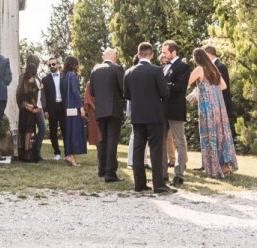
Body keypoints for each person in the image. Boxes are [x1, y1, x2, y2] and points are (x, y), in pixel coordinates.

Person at [124, 42, 174, 194]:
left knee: (138, 150)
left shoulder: (129, 72)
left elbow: (126, 95)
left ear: (138, 54)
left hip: (137, 116)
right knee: (156, 151)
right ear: (151, 54)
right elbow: (165, 92)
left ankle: (139, 184)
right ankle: (158, 185)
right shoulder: (156, 70)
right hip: (154, 115)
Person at [188, 48, 238, 179]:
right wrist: (211, 90)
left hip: (207, 107)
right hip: (218, 106)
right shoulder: (214, 69)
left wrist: (200, 92)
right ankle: (225, 166)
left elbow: (186, 83)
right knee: (220, 134)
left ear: (196, 58)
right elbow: (223, 86)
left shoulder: (199, 69)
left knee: (209, 135)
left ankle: (214, 167)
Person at [90, 48, 125, 182]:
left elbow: (92, 92)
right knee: (112, 141)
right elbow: (124, 89)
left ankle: (102, 169)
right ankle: (110, 173)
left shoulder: (95, 70)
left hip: (100, 111)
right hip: (114, 109)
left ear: (103, 57)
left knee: (103, 139)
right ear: (114, 57)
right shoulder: (117, 69)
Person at [161, 40, 190, 186]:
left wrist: (162, 85)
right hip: (162, 109)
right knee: (161, 141)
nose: (163, 54)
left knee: (179, 141)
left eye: (165, 52)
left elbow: (180, 86)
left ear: (173, 52)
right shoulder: (165, 66)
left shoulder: (184, 66)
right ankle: (162, 173)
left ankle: (179, 174)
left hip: (175, 108)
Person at [61, 56, 87, 167]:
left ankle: (69, 155)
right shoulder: (72, 75)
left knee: (69, 132)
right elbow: (76, 92)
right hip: (74, 108)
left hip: (67, 108)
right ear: (74, 64)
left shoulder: (64, 76)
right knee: (74, 133)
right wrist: (81, 107)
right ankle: (71, 157)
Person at [204, 45, 235, 136]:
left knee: (222, 129)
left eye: (205, 55)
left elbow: (224, 86)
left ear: (209, 54)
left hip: (222, 101)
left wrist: (208, 91)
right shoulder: (210, 66)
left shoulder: (220, 66)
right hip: (214, 102)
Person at [16, 57, 41, 162]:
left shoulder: (23, 80)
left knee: (24, 131)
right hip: (28, 110)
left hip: (23, 110)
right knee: (28, 131)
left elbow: (20, 95)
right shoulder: (30, 81)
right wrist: (33, 107)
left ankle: (23, 153)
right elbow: (31, 96)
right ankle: (27, 153)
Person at [41, 57, 66, 160]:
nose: (52, 66)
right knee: (53, 131)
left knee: (66, 130)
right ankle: (57, 153)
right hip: (52, 108)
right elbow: (43, 96)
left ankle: (68, 153)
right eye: (50, 65)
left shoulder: (64, 77)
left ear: (58, 65)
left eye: (53, 64)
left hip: (63, 106)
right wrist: (45, 110)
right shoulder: (45, 80)